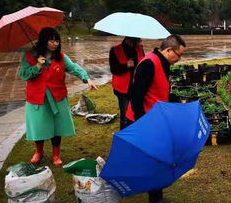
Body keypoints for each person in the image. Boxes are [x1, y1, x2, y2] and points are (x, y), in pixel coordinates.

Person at [19, 27, 97, 166]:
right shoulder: (30, 56)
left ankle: (56, 154)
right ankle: (39, 152)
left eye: (57, 40)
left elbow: (74, 67)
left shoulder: (60, 56)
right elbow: (24, 75)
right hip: (38, 98)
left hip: (57, 96)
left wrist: (86, 79)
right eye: (51, 40)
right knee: (39, 126)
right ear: (44, 41)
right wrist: (37, 66)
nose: (55, 44)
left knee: (57, 126)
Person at [126, 34, 187, 203]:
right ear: (168, 50)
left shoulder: (163, 63)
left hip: (156, 117)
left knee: (149, 156)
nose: (179, 59)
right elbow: (136, 95)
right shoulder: (148, 64)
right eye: (178, 55)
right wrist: (141, 121)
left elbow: (160, 89)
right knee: (158, 158)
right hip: (145, 118)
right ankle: (155, 197)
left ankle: (142, 183)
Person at [109, 37, 145, 129]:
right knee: (125, 115)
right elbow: (114, 69)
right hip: (122, 88)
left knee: (136, 112)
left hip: (136, 86)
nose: (136, 44)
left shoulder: (140, 48)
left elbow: (144, 63)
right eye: (135, 41)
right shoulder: (115, 50)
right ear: (128, 39)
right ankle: (124, 135)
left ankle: (134, 133)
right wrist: (126, 66)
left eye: (138, 41)